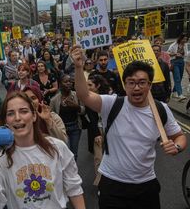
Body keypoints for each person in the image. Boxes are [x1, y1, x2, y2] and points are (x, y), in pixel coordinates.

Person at [71, 45, 187, 209]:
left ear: (150, 85)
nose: (136, 87)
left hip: (146, 186)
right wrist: (78, 67)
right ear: (125, 85)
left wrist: (176, 147)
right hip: (113, 186)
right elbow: (84, 94)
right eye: (131, 83)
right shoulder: (112, 104)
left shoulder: (161, 109)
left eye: (142, 82)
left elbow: (180, 137)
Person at [0, 91, 85, 209]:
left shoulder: (57, 147)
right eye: (10, 113)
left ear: (34, 116)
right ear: (6, 121)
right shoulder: (2, 159)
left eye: (23, 111)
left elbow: (74, 189)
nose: (17, 118)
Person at [50, 74, 85, 161]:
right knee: (64, 153)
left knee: (74, 154)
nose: (69, 83)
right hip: (62, 129)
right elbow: (52, 116)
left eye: (70, 81)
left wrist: (76, 106)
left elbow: (84, 110)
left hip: (75, 128)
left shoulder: (77, 95)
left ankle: (73, 173)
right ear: (60, 84)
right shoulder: (54, 100)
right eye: (66, 82)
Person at [85, 75, 110, 185]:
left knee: (111, 156)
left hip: (110, 130)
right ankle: (100, 184)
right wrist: (96, 134)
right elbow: (90, 119)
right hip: (97, 130)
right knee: (98, 158)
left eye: (90, 85)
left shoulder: (109, 97)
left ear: (98, 86)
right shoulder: (88, 99)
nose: (87, 87)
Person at [168, 33, 189, 100]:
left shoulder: (185, 45)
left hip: (181, 62)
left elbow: (186, 54)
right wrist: (175, 54)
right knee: (177, 78)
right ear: (180, 38)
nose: (185, 40)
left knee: (180, 77)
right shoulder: (174, 45)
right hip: (174, 62)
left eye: (186, 39)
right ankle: (180, 94)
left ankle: (174, 92)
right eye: (184, 39)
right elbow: (168, 53)